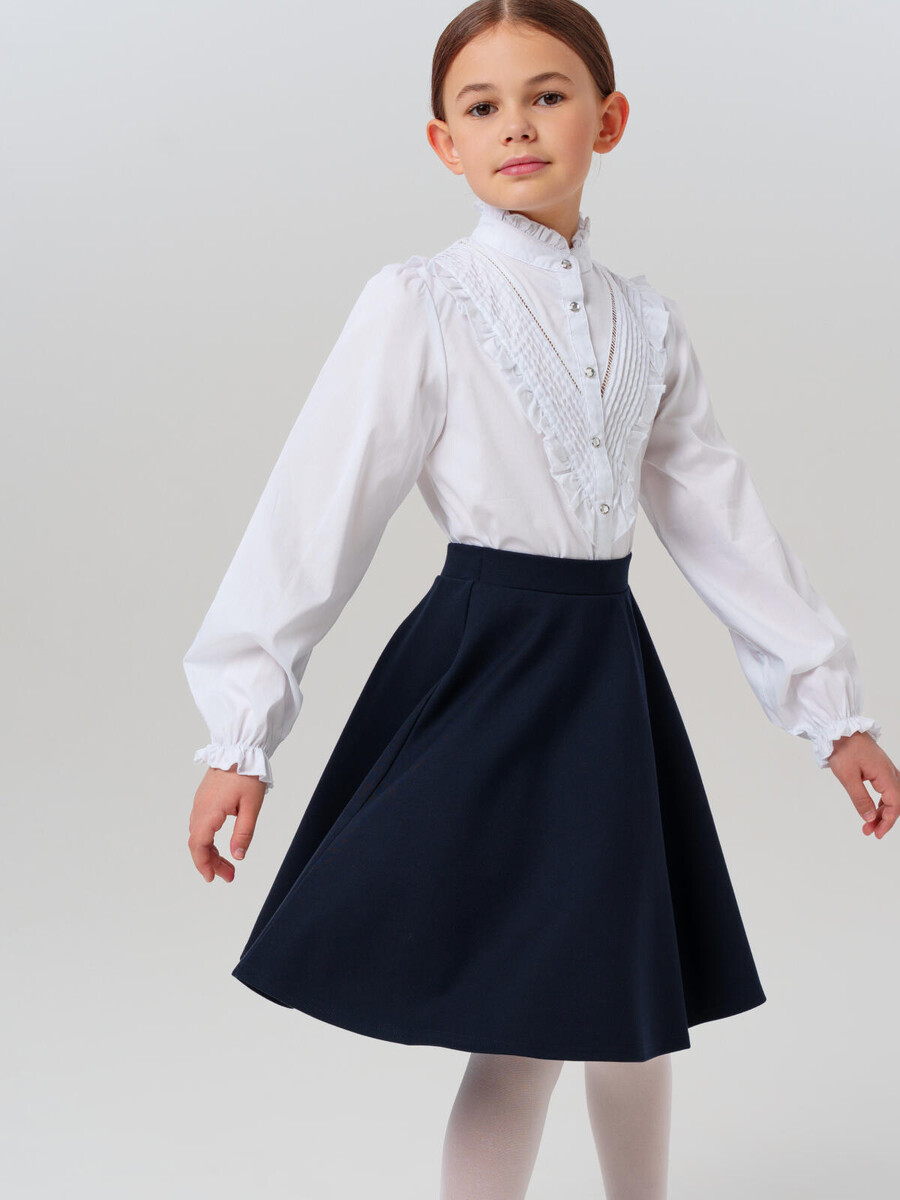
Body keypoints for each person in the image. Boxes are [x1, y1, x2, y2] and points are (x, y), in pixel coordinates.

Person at [182, 3, 898, 1196]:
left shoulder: (647, 323)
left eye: (548, 96)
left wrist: (834, 714)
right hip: (486, 675)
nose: (516, 125)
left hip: (605, 680)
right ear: (444, 143)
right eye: (483, 106)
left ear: (608, 120)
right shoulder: (424, 300)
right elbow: (315, 511)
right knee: (520, 1031)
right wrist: (240, 732)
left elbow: (721, 521)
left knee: (635, 1006)